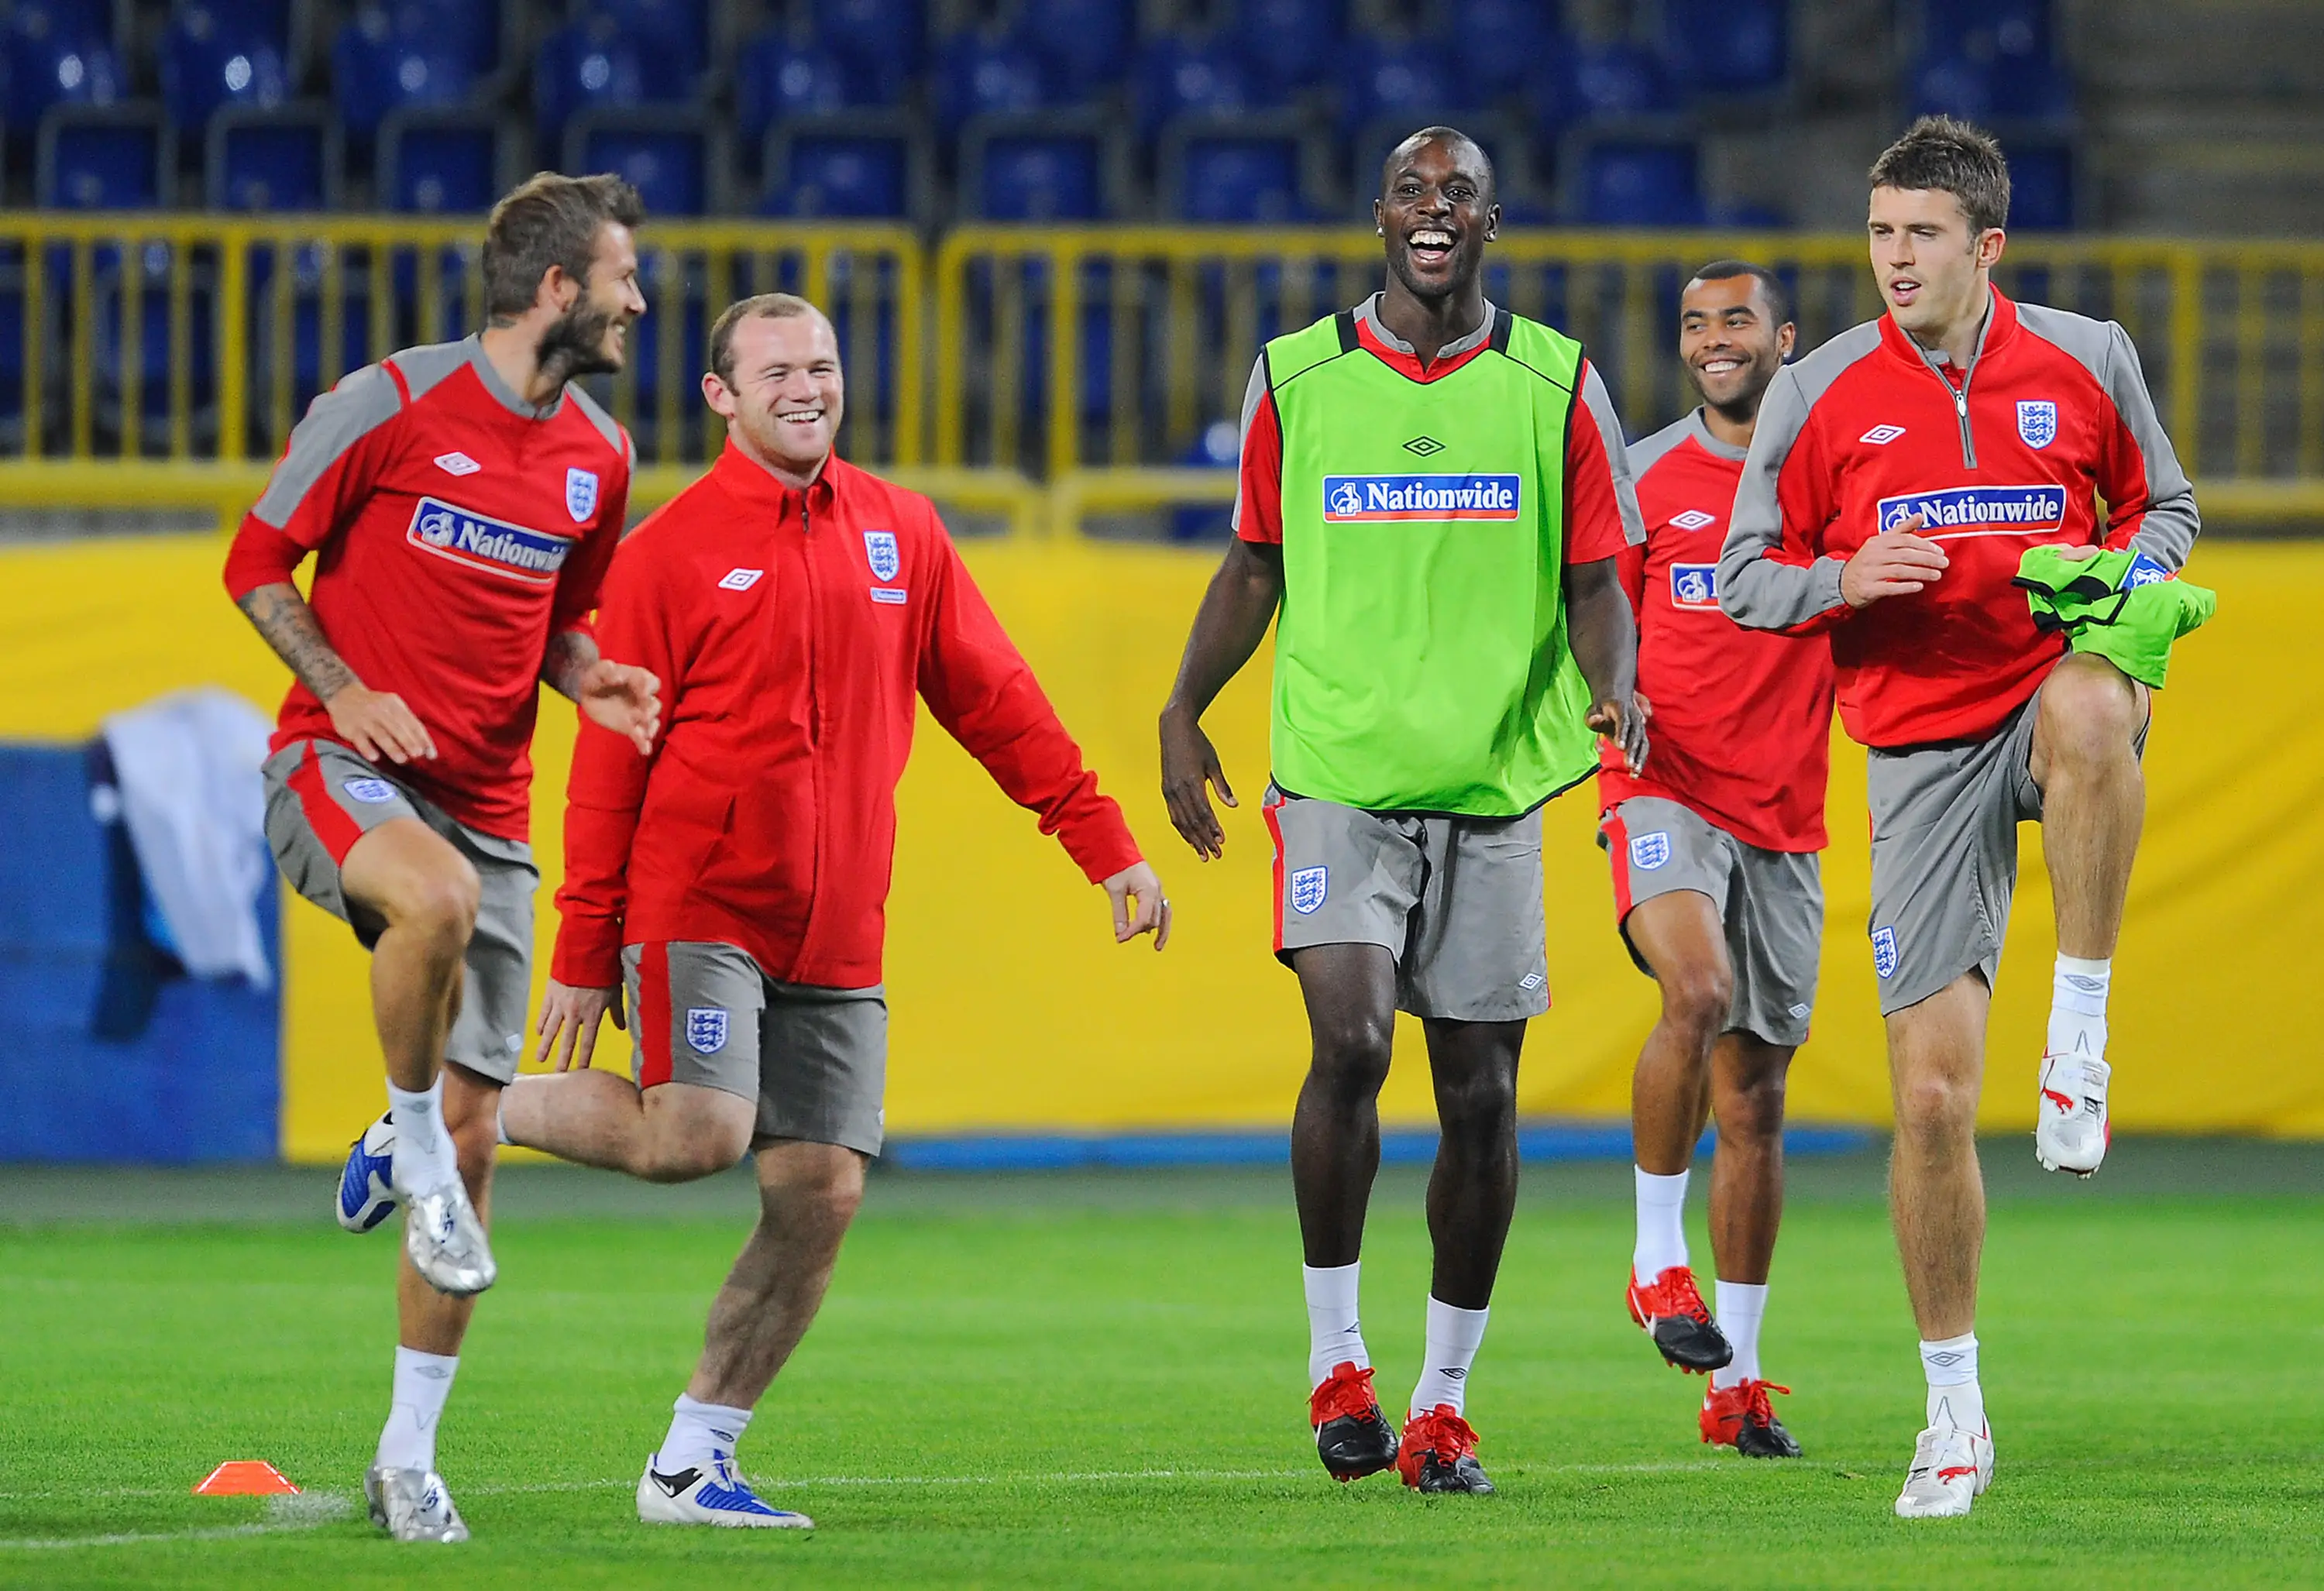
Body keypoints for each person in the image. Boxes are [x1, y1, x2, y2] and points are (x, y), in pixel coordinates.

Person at [493, 292, 1171, 1529]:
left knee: (822, 1190)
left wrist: (1103, 841)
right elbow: (606, 774)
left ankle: (691, 1463)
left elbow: (997, 700)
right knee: (697, 1131)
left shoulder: (901, 532)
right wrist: (582, 953)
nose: (807, 387)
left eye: (823, 365)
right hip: (697, 904)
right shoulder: (663, 556)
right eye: (778, 371)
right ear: (720, 397)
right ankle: (458, 1107)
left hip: (839, 928)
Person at [1719, 116, 2200, 1518]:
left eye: (1921, 235)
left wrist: (2113, 564)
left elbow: (2163, 507)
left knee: (2098, 711)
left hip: (2047, 684)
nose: (1894, 259)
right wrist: (1840, 578)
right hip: (1919, 743)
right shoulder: (1819, 391)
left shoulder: (2090, 356)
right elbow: (1745, 573)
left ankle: (2082, 1028)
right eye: (1879, 234)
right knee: (1928, 1099)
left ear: (1987, 247)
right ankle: (1952, 1413)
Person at [1159, 126, 1648, 1497]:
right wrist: (1182, 706)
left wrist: (1616, 688)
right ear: (1381, 215)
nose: (1437, 215)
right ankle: (1336, 1365)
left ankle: (1442, 1404)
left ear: (1497, 221)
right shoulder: (1295, 377)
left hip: (1494, 785)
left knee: (1483, 1097)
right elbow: (1253, 567)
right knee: (1355, 1037)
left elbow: (1600, 577)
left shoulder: (1556, 385)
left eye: (1464, 197)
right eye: (1416, 194)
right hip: (1337, 775)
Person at [225, 173, 662, 1542]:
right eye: (622, 279)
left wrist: (592, 682)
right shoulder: (388, 405)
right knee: (437, 896)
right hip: (336, 766)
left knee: (480, 1148)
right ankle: (403, 1136)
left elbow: (559, 627)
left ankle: (405, 1455)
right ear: (557, 293)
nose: (637, 301)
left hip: (492, 799)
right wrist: (344, 687)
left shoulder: (601, 457)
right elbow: (253, 562)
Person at [1602, 263, 1833, 1459]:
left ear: (1783, 338)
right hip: (1663, 788)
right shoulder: (1642, 478)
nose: (1711, 341)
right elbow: (1595, 624)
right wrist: (1605, 697)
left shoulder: (1831, 485)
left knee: (1756, 1103)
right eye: (1693, 322)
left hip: (1786, 815)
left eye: (1735, 320)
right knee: (1697, 990)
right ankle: (1654, 1255)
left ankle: (1734, 1382)